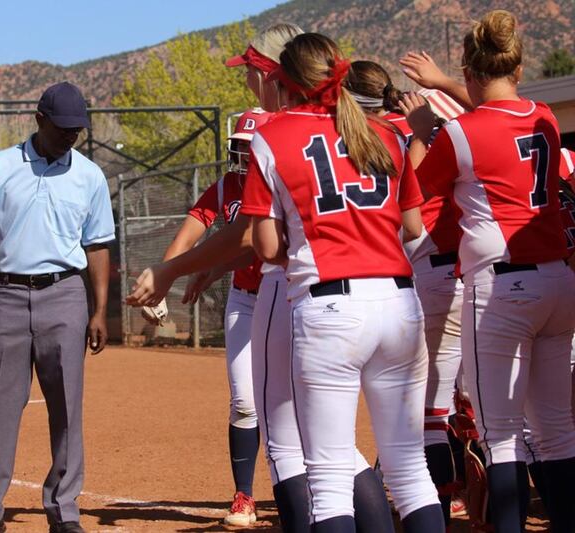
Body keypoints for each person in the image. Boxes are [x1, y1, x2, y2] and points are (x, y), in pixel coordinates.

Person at [129, 25, 397, 533]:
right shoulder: (352, 124)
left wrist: (171, 269)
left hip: (292, 289)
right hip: (372, 290)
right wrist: (205, 266)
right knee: (344, 447)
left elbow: (255, 239)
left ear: (276, 71)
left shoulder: (282, 128)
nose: (248, 75)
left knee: (288, 445)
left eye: (253, 66)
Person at [242, 32, 445, 532]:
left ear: (285, 82)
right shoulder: (385, 132)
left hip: (328, 305)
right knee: (411, 472)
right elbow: (414, 227)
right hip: (399, 301)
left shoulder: (271, 134)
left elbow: (265, 247)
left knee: (330, 481)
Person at [401, 10, 575, 533]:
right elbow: (496, 106)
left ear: (470, 72)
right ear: (517, 69)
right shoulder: (543, 116)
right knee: (558, 433)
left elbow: (413, 204)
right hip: (560, 283)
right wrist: (447, 89)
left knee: (501, 435)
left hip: (501, 288)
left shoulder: (458, 133)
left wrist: (421, 134)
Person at [0, 81, 115, 533]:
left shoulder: (90, 176)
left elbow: (99, 244)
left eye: (78, 130)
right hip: (6, 296)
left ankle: (63, 511)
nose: (72, 136)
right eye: (64, 128)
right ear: (39, 120)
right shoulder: (0, 166)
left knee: (67, 407)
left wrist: (99, 309)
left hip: (66, 293)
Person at [346, 60, 465, 527]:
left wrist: (417, 137)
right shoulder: (445, 123)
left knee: (425, 413)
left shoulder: (373, 134)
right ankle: (459, 493)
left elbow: (402, 206)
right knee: (465, 403)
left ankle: (442, 496)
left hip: (419, 269)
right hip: (468, 271)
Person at [151, 108, 270, 526]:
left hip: (284, 296)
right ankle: (244, 496)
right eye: (238, 146)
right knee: (243, 401)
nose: (242, 154)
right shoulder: (226, 186)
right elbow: (189, 234)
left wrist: (214, 267)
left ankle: (306, 487)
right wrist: (161, 279)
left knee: (289, 402)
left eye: (250, 147)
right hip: (244, 298)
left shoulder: (283, 179)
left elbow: (259, 243)